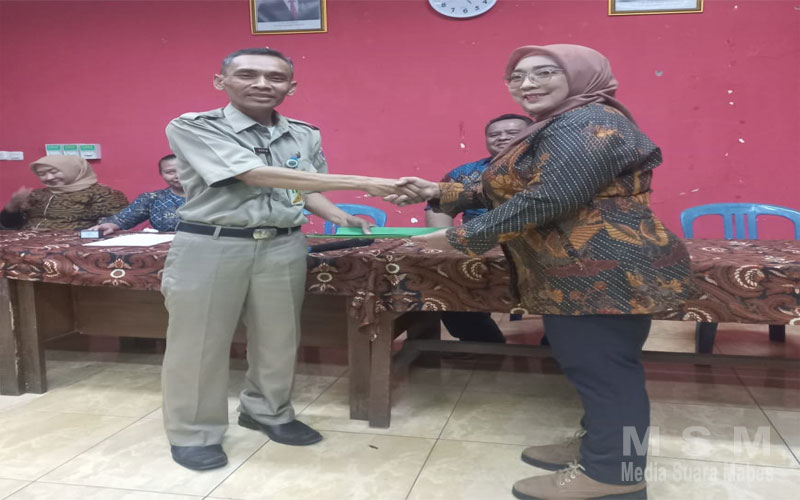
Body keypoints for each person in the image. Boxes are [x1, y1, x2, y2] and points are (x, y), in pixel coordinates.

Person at [388, 44, 696, 500]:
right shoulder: (560, 123)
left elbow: (549, 197)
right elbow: (513, 186)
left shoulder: (590, 122)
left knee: (606, 373)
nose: (527, 84)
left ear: (580, 75)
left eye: (544, 72)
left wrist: (460, 237)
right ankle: (599, 446)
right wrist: (438, 191)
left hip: (603, 272)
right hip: (580, 270)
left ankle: (615, 476)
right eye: (516, 76)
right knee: (593, 367)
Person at [161, 47, 415, 471]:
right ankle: (194, 432)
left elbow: (301, 186)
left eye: (275, 77)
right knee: (199, 343)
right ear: (221, 81)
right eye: (248, 74)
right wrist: (363, 182)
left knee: (278, 338)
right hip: (212, 245)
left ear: (291, 87)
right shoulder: (194, 126)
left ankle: (267, 411)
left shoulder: (303, 133)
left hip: (282, 245)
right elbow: (251, 174)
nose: (262, 84)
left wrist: (338, 215)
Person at [425, 114, 531, 344]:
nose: (502, 138)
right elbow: (437, 204)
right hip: (477, 245)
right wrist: (444, 242)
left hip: (538, 246)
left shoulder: (551, 168)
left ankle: (554, 347)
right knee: (442, 277)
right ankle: (484, 341)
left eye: (512, 133)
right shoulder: (465, 173)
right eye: (494, 134)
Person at [0, 155, 128, 230]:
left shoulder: (103, 194)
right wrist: (12, 207)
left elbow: (118, 224)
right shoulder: (36, 194)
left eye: (54, 172)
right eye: (42, 174)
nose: (49, 178)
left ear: (73, 170)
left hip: (74, 250)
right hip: (25, 246)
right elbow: (8, 227)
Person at [91, 154, 186, 235]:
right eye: (170, 172)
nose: (178, 176)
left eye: (184, 170)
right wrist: (109, 225)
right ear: (161, 174)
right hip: (167, 248)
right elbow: (121, 220)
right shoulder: (152, 198)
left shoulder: (196, 199)